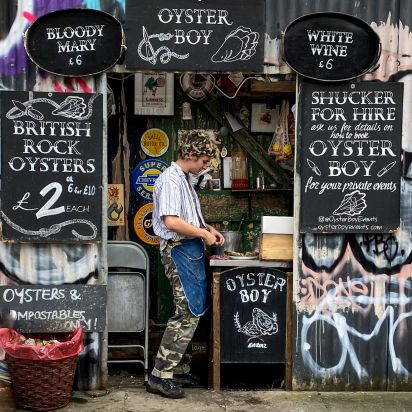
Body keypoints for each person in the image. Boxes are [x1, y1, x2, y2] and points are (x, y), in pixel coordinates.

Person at [146, 131, 225, 399]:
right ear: (190, 154)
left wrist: (206, 228)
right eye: (204, 159)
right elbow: (171, 222)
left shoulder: (184, 180)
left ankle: (175, 368)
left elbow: (186, 217)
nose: (206, 165)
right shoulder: (170, 180)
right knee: (186, 313)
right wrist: (203, 234)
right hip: (178, 251)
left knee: (193, 311)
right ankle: (160, 375)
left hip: (189, 250)